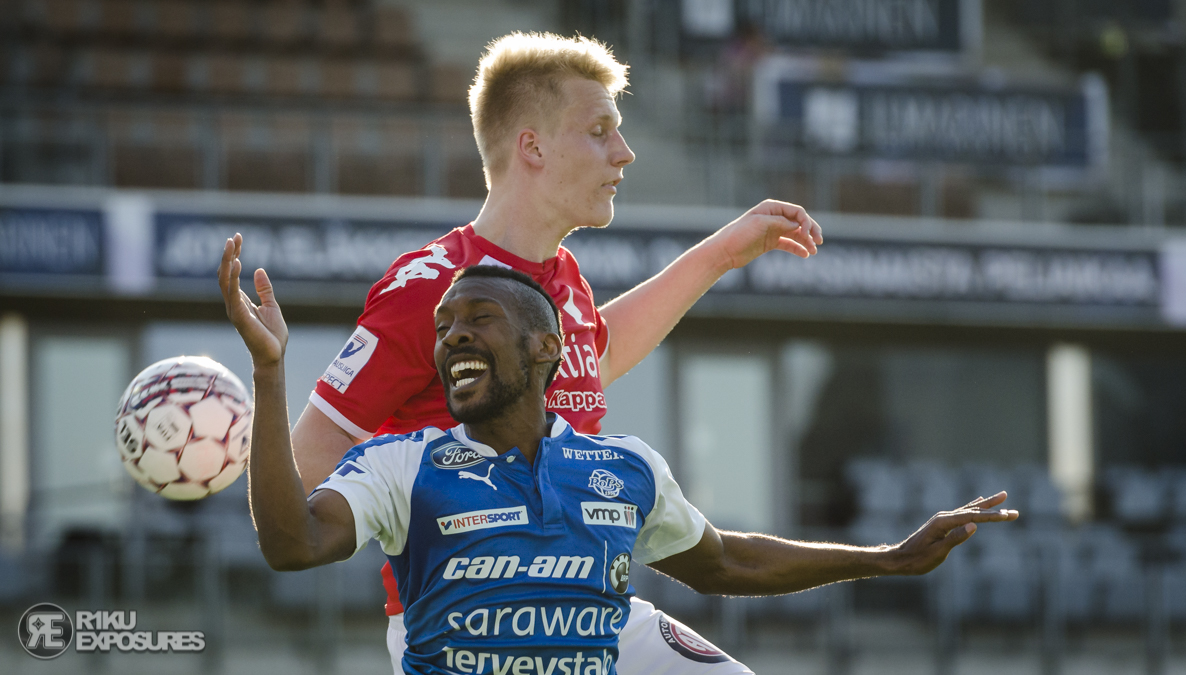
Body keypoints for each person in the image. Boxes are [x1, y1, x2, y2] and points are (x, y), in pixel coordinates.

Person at [220, 31, 824, 675]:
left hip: (593, 611)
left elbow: (596, 355)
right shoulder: (428, 289)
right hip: (470, 625)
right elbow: (311, 468)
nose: (624, 153)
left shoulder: (563, 278)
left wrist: (727, 250)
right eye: (599, 130)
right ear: (531, 146)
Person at [221, 262, 1019, 675]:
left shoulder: (624, 468)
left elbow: (726, 560)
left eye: (479, 319)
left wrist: (886, 558)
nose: (453, 335)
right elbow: (292, 542)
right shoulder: (403, 466)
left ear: (546, 348)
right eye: (444, 325)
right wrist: (268, 374)